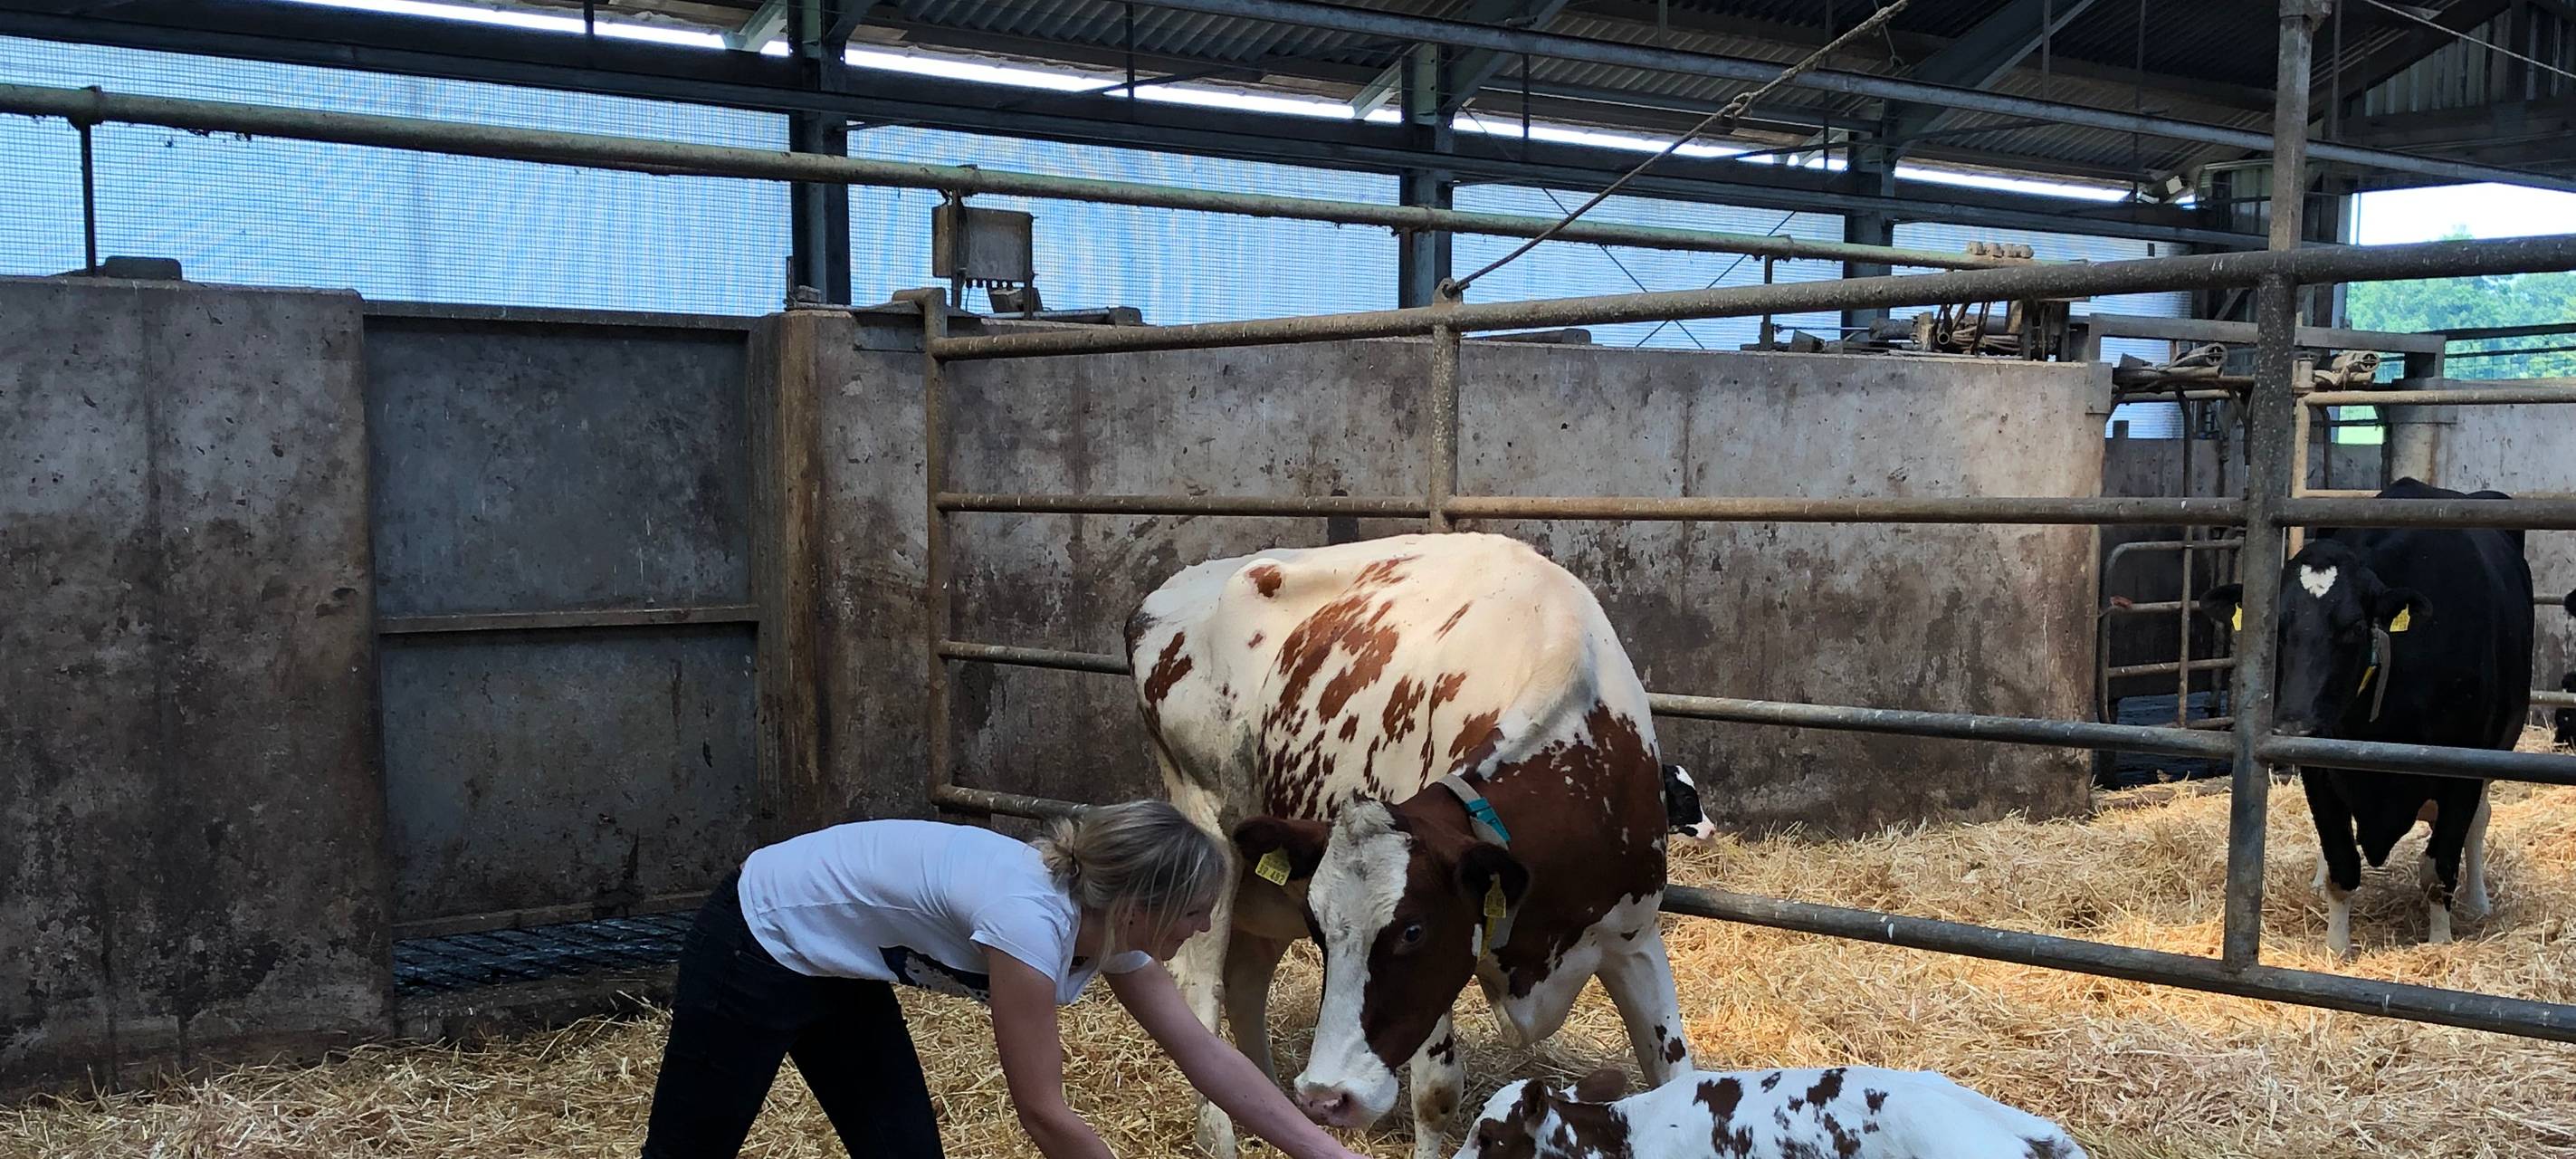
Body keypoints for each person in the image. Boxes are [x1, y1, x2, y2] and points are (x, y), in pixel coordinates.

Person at [640, 800, 1369, 1159]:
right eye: (1196, 913)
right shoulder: (1030, 924)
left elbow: (1203, 1054)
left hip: (842, 962)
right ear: (1143, 908)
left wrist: (1324, 1153)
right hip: (757, 936)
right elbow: (1043, 1113)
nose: (1205, 930)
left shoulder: (1113, 927)